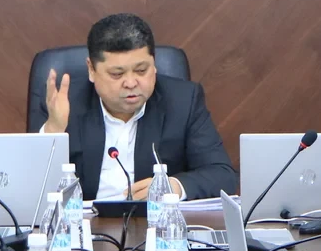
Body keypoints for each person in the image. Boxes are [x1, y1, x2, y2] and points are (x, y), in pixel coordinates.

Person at [40, 13, 235, 200]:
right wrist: (53, 131)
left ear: (154, 64)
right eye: (117, 74)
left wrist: (174, 186)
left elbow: (222, 175)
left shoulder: (183, 101)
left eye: (141, 70)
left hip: (154, 219)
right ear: (91, 69)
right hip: (84, 220)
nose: (131, 83)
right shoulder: (62, 103)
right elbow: (33, 185)